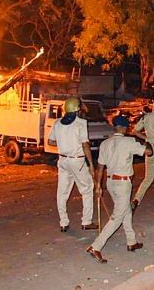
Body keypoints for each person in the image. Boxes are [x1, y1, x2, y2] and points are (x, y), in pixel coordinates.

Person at [86, 116, 149, 263]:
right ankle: (96, 246)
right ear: (125, 128)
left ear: (114, 127)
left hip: (110, 182)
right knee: (117, 217)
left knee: (126, 210)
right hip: (122, 183)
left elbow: (100, 167)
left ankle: (131, 241)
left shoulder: (105, 143)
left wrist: (98, 186)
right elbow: (148, 152)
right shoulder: (128, 142)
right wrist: (146, 140)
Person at [47, 97, 98, 232]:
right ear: (77, 109)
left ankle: (63, 222)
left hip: (63, 160)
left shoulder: (57, 123)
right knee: (87, 189)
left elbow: (50, 142)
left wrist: (64, 143)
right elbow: (85, 144)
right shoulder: (81, 123)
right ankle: (86, 221)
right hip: (77, 160)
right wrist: (91, 164)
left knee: (62, 193)